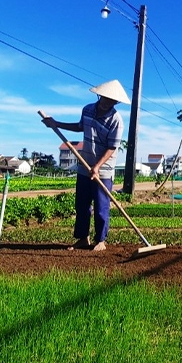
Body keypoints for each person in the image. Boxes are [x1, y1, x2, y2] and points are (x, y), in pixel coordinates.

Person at [42, 80, 129, 251]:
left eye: (112, 101)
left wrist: (97, 167)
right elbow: (80, 126)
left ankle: (101, 240)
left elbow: (112, 148)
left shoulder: (116, 120)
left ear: (116, 102)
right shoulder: (87, 109)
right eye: (105, 99)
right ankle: (83, 238)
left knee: (101, 206)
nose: (107, 103)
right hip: (84, 165)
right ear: (100, 96)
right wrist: (56, 123)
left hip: (103, 170)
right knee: (82, 205)